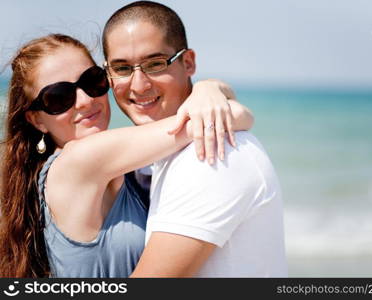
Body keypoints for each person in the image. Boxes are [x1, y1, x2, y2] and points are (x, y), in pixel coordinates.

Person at [0, 34, 253, 277]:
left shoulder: (122, 167)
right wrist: (209, 90)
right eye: (58, 97)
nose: (86, 100)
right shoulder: (78, 160)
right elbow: (222, 119)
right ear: (37, 120)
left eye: (92, 81)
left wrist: (209, 90)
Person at [102, 1, 287, 277]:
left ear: (188, 62)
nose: (139, 85)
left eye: (155, 64)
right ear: (108, 73)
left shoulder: (212, 154)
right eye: (123, 68)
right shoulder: (153, 157)